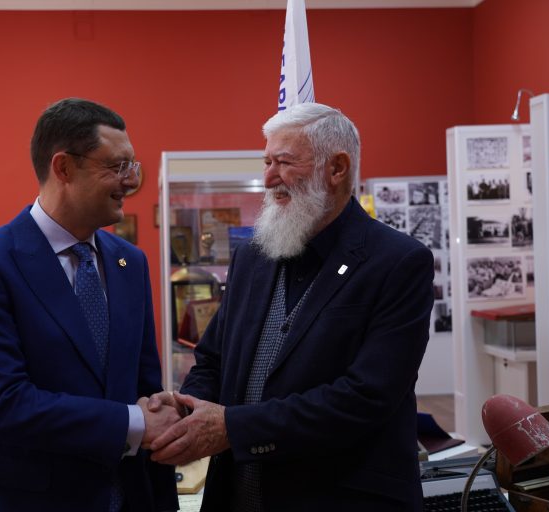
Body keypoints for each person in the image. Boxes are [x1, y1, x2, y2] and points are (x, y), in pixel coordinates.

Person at [148, 103, 434, 511]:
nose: (268, 179)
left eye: (283, 162)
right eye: (267, 162)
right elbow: (213, 360)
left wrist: (232, 428)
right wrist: (187, 411)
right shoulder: (253, 257)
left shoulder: (397, 262)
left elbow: (366, 398)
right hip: (240, 495)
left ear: (337, 168)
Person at [0, 98, 179, 512]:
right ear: (64, 168)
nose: (130, 180)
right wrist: (136, 422)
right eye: (117, 166)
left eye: (132, 166)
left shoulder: (129, 262)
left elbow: (144, 385)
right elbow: (0, 405)